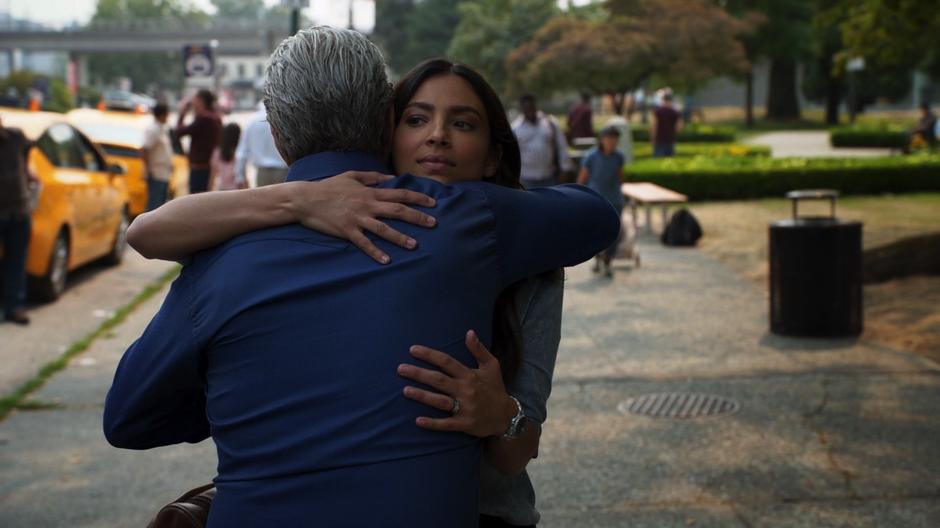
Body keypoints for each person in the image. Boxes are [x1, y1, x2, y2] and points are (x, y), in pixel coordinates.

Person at [104, 27, 619, 528]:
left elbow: (128, 418)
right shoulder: (459, 219)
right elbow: (595, 217)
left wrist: (242, 394)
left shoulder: (220, 257)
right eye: (418, 118)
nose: (437, 136)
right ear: (387, 121)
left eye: (461, 124)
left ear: (277, 136)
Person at [577, 126, 625, 278]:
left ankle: (608, 260)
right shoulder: (591, 156)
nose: (612, 142)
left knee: (615, 233)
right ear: (602, 139)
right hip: (596, 200)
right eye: (609, 138)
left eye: (615, 139)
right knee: (595, 232)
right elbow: (582, 178)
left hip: (615, 200)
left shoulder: (619, 157)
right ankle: (598, 258)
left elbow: (621, 176)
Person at [0, 117, 33, 325]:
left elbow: (28, 151)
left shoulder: (16, 137)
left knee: (17, 261)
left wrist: (27, 171)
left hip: (18, 210)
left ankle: (14, 307)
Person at [512, 94, 570, 188]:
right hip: (526, 180)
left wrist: (565, 169)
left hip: (549, 177)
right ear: (521, 109)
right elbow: (512, 155)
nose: (529, 110)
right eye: (526, 107)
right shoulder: (516, 128)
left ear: (535, 106)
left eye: (531, 106)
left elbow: (562, 146)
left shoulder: (550, 123)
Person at [176, 89, 222, 194]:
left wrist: (182, 114)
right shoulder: (214, 117)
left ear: (200, 100)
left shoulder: (204, 118)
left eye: (194, 98)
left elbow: (179, 132)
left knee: (197, 201)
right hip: (209, 166)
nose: (192, 101)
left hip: (200, 168)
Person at [236, 101, 290, 187]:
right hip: (283, 171)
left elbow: (242, 153)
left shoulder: (252, 121)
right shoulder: (283, 118)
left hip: (262, 173)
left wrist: (240, 176)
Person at [142, 103, 173, 211]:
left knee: (161, 205)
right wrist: (148, 169)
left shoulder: (162, 129)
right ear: (162, 115)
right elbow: (145, 149)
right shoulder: (153, 129)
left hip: (164, 173)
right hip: (156, 172)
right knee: (154, 206)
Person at [211, 123, 242, 191]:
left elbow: (213, 175)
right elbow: (241, 177)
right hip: (236, 190)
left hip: (221, 189)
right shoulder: (239, 153)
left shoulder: (217, 152)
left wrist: (209, 191)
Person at [651, 90, 681, 158]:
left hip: (659, 141)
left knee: (658, 164)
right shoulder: (675, 112)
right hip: (670, 141)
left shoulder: (658, 112)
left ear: (663, 100)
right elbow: (679, 127)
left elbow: (654, 126)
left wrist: (653, 139)